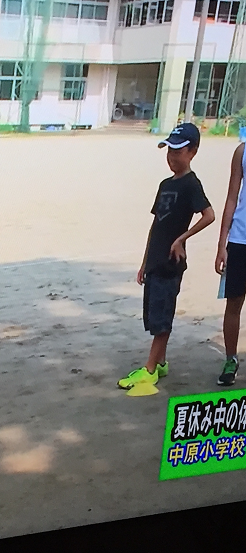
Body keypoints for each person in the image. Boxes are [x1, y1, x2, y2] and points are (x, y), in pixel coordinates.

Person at [118, 123, 215, 389]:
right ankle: (160, 362)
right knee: (154, 314)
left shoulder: (191, 184)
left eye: (178, 151)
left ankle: (150, 369)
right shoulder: (165, 185)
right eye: (169, 151)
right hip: (155, 260)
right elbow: (156, 224)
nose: (172, 157)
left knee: (162, 317)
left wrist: (182, 239)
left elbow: (209, 215)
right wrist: (144, 262)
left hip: (171, 263)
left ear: (193, 152)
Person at [215, 139, 246, 385]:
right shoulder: (242, 152)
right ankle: (230, 359)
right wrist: (222, 243)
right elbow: (232, 198)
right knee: (233, 303)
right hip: (239, 239)